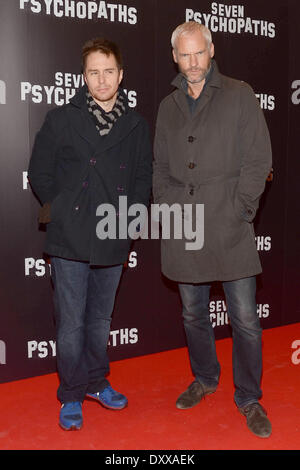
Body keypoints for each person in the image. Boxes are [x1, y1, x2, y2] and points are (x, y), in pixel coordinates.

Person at [153, 21, 272, 438]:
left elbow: (259, 160)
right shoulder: (168, 106)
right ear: (175, 57)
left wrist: (242, 209)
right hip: (184, 227)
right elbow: (160, 168)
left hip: (229, 225)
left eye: (198, 53)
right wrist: (168, 209)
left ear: (211, 49)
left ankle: (249, 397)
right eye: (184, 55)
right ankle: (205, 378)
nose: (192, 63)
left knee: (244, 319)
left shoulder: (240, 94)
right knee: (192, 313)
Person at [28, 38, 152, 430]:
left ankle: (97, 383)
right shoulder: (61, 118)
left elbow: (142, 178)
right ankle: (71, 393)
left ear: (121, 75)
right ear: (84, 76)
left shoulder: (136, 125)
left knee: (99, 320)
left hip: (113, 233)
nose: (102, 80)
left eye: (109, 71)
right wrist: (61, 209)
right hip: (69, 237)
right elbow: (40, 172)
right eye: (94, 72)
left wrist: (132, 220)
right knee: (71, 323)